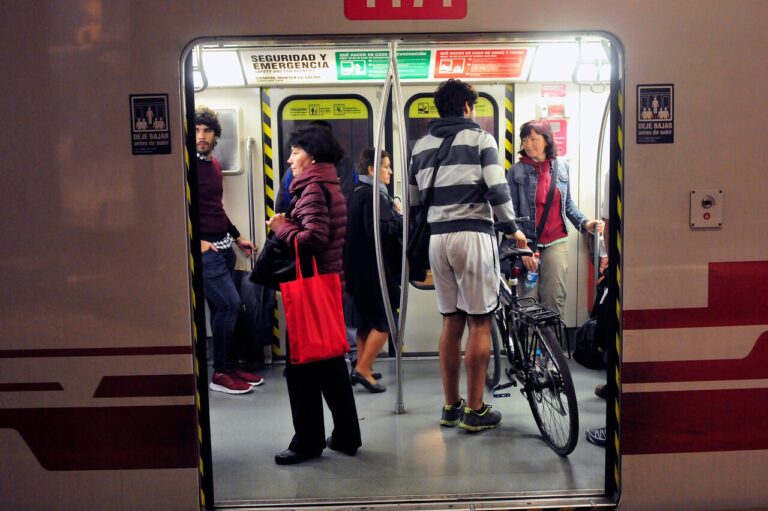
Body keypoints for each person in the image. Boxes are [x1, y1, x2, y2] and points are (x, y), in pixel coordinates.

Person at [408, 79, 527, 432]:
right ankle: (475, 410)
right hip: (473, 235)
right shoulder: (480, 138)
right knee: (479, 321)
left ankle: (450, 406)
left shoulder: (420, 146)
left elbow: (415, 202)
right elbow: (497, 188)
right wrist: (512, 230)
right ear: (465, 107)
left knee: (451, 321)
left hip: (437, 240)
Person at [267, 125, 362, 464]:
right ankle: (347, 435)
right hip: (327, 283)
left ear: (312, 155)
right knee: (331, 364)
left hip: (312, 288)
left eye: (295, 152)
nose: (290, 158)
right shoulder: (327, 183)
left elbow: (313, 240)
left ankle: (307, 442)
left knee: (301, 368)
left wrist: (281, 227)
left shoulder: (310, 188)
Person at [195, 106, 265, 395]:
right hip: (205, 251)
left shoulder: (213, 166)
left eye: (206, 130)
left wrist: (237, 238)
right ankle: (220, 373)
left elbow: (216, 208)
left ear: (215, 135)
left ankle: (229, 364)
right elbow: (168, 207)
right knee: (230, 305)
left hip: (223, 247)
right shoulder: (183, 165)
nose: (201, 136)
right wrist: (194, 242)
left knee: (224, 311)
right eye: (196, 129)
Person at [506, 120, 603, 317]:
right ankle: (531, 348)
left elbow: (567, 205)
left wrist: (585, 223)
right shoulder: (516, 171)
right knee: (527, 301)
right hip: (527, 243)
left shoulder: (562, 167)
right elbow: (509, 214)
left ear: (547, 140)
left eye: (533, 139)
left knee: (554, 298)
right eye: (524, 139)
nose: (527, 144)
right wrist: (521, 247)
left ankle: (551, 347)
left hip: (556, 241)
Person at [344, 148, 402, 393]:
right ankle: (362, 370)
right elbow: (376, 230)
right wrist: (398, 218)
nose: (389, 171)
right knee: (387, 321)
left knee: (365, 321)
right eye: (386, 166)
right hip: (373, 270)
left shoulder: (357, 193)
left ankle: (363, 364)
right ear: (371, 170)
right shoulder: (374, 197)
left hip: (357, 269)